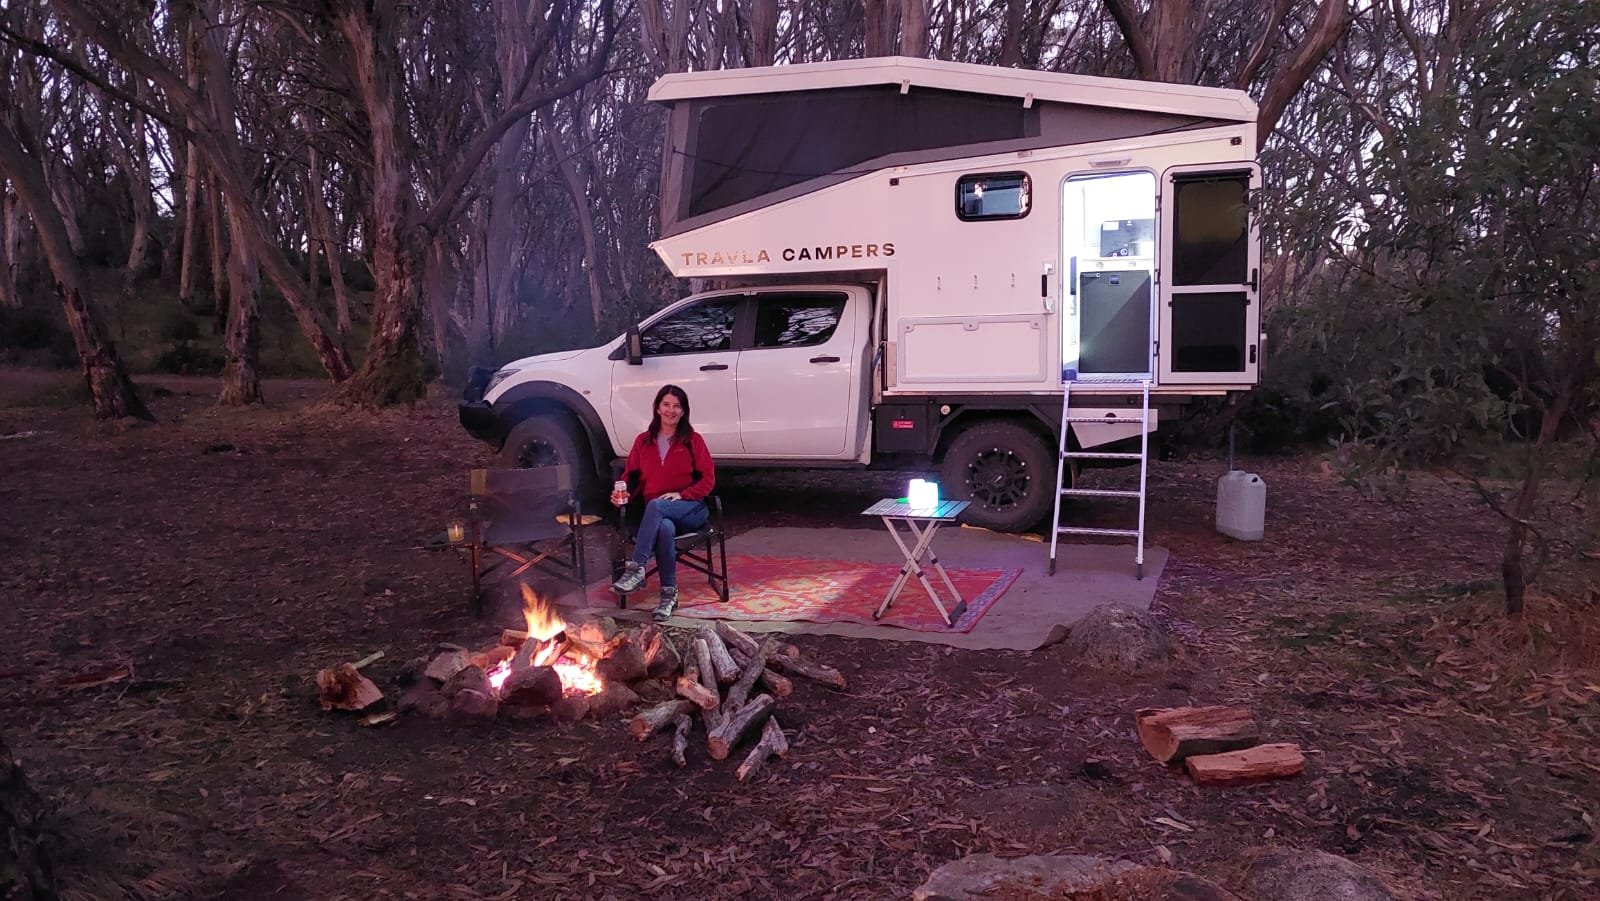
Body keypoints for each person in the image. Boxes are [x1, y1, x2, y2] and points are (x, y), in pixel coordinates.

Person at [611, 384, 716, 621]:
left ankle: (637, 567)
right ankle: (669, 595)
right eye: (666, 404)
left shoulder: (692, 441)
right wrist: (623, 494)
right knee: (664, 528)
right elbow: (632, 478)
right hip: (657, 515)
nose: (671, 410)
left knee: (657, 505)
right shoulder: (643, 442)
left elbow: (708, 479)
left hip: (691, 508)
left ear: (683, 411)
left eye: (677, 406)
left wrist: (683, 495)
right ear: (657, 408)